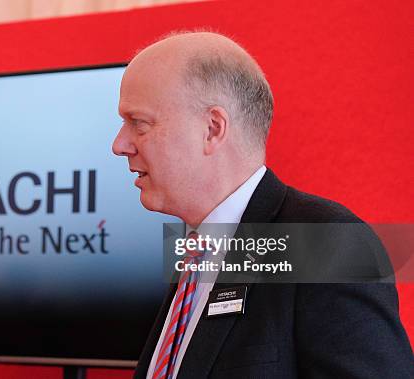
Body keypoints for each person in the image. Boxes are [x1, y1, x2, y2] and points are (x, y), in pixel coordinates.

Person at [112, 31, 413, 378]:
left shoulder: (324, 244)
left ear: (212, 128)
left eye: (139, 123)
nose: (120, 144)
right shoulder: (195, 250)